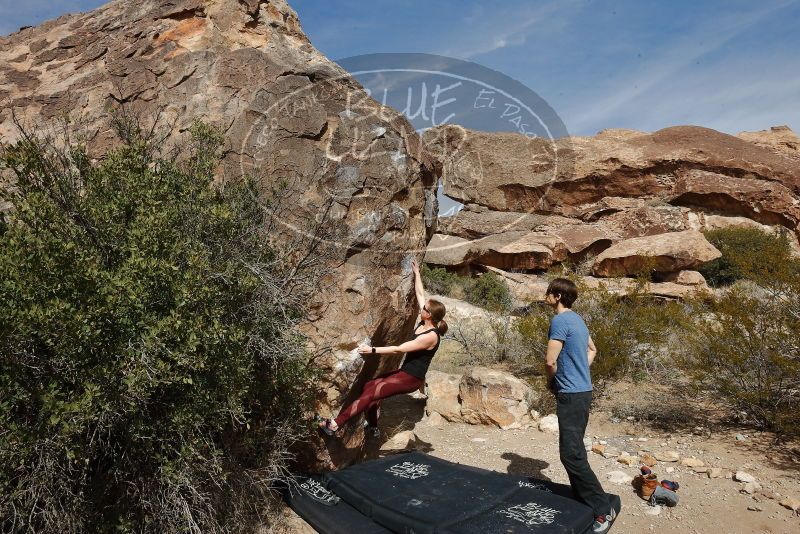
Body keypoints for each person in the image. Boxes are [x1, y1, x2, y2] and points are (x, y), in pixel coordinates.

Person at [319, 259, 447, 437]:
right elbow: (420, 294)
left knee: (373, 392)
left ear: (429, 315)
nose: (422, 308)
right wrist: (417, 274)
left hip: (412, 379)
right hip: (403, 373)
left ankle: (335, 424)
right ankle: (373, 428)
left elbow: (399, 349)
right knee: (371, 385)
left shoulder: (431, 336)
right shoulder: (423, 321)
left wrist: (372, 350)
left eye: (424, 308)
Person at [543, 278, 616, 533]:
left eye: (549, 292)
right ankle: (583, 497)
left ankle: (603, 508)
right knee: (575, 450)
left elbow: (550, 361)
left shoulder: (560, 321)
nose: (546, 296)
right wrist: (579, 370)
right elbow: (593, 349)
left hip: (570, 395)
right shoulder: (578, 319)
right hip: (582, 392)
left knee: (570, 454)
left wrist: (552, 382)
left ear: (558, 296)